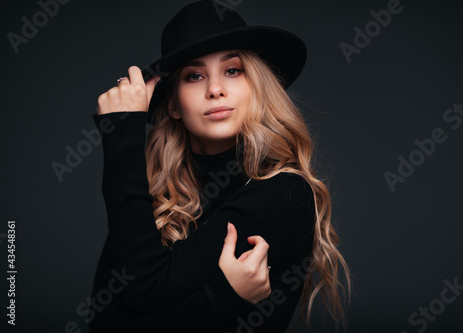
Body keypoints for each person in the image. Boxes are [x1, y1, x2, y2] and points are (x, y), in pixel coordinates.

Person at [89, 1, 351, 332]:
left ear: (256, 87)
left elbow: (144, 290)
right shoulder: (153, 199)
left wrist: (122, 134)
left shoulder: (284, 193)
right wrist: (224, 297)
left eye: (232, 70)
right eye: (194, 76)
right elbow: (104, 325)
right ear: (172, 104)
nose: (215, 90)